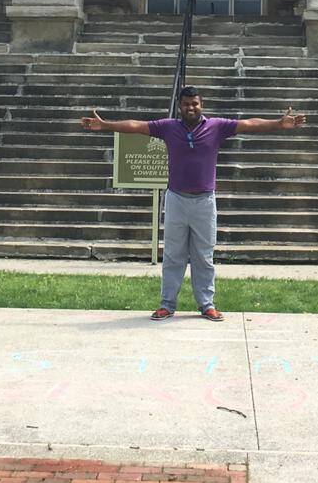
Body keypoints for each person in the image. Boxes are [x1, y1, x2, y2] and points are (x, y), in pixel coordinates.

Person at [81, 86, 306, 322]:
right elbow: (136, 126)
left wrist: (278, 124)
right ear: (180, 106)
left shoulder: (217, 127)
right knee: (173, 255)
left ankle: (206, 304)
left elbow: (249, 124)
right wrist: (106, 125)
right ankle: (167, 305)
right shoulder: (168, 128)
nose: (191, 108)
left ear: (202, 104)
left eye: (195, 103)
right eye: (187, 104)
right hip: (177, 199)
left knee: (204, 256)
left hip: (204, 201)